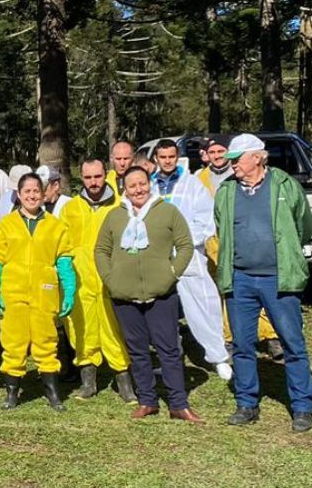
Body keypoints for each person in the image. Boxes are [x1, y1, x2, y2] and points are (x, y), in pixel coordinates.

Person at [216, 134, 312, 433]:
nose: (232, 164)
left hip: (279, 278)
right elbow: (222, 225)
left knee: (292, 344)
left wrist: (283, 252)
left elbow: (304, 226)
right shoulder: (226, 191)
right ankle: (246, 403)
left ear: (257, 157)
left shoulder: (285, 186)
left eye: (237, 158)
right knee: (243, 345)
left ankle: (302, 408)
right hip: (240, 279)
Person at [95, 166, 203, 423]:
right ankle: (147, 400)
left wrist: (171, 273)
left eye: (142, 183)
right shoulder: (114, 217)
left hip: (161, 294)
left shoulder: (167, 212)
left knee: (168, 349)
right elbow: (101, 249)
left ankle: (178, 403)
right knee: (138, 349)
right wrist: (111, 280)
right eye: (132, 186)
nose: (138, 189)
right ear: (125, 189)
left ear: (149, 184)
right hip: (124, 295)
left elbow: (185, 245)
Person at [0, 173, 76, 411]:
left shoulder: (56, 226)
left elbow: (64, 260)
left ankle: (52, 392)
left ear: (44, 193)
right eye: (27, 191)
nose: (32, 196)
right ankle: (12, 393)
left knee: (46, 341)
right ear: (19, 194)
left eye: (37, 191)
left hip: (44, 292)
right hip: (13, 293)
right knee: (14, 342)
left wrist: (69, 289)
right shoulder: (7, 224)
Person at [150, 139, 233, 381]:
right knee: (162, 311)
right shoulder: (150, 185)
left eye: (171, 156)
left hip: (188, 255)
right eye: (162, 157)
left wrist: (184, 243)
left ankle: (218, 358)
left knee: (203, 306)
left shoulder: (192, 184)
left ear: (177, 157)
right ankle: (169, 359)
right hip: (158, 258)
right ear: (156, 158)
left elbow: (205, 220)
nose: (167, 161)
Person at [58, 160, 136, 402]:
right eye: (88, 177)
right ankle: (88, 382)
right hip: (80, 280)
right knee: (81, 329)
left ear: (106, 175)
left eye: (98, 176)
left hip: (109, 278)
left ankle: (124, 381)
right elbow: (62, 244)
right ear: (81, 178)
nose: (93, 182)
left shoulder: (120, 207)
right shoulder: (71, 207)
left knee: (114, 329)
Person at [196, 136, 282, 356]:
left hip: (241, 239)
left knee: (258, 288)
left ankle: (271, 336)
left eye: (221, 151)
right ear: (206, 155)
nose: (217, 156)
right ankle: (229, 337)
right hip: (213, 240)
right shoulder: (199, 178)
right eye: (212, 152)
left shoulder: (238, 175)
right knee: (226, 291)